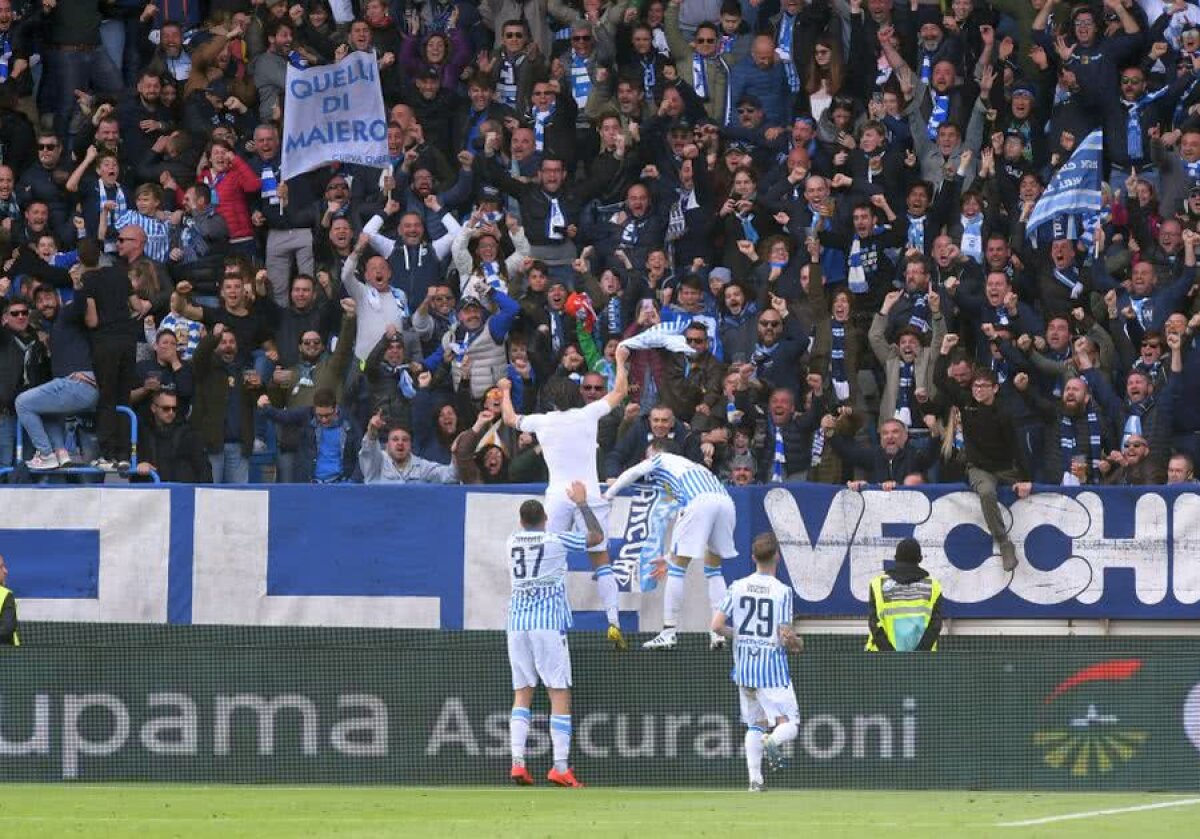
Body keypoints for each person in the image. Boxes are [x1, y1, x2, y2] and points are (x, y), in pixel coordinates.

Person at [499, 344, 631, 651]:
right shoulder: (588, 414)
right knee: (601, 560)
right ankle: (613, 620)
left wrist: (505, 390)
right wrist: (621, 362)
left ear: (550, 400)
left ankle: (551, 624)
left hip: (557, 496)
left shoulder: (542, 421)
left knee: (551, 559)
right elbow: (621, 391)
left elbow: (508, 419)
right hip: (589, 493)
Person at [505, 481, 603, 789]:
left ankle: (518, 762)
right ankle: (560, 766)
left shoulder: (511, 541)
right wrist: (582, 504)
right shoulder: (555, 540)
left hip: (516, 623)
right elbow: (596, 537)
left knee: (522, 692)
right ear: (545, 518)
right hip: (547, 623)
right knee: (558, 692)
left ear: (522, 522)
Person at [605, 439, 737, 651]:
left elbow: (632, 473)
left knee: (677, 570)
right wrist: (669, 556)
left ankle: (668, 632)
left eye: (648, 454)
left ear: (657, 452)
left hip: (700, 501)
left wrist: (609, 495)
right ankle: (717, 631)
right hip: (726, 502)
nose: (646, 458)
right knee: (714, 570)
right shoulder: (692, 469)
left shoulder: (661, 458)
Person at [711, 532, 801, 792]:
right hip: (772, 671)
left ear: (753, 558)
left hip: (744, 669)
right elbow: (785, 634)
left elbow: (716, 625)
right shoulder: (782, 592)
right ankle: (772, 742)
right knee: (790, 725)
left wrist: (736, 635)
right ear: (778, 557)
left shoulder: (736, 586)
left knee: (754, 724)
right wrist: (796, 643)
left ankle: (755, 781)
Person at [865, 538, 944, 652]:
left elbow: (874, 623)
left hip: (881, 662)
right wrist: (919, 655)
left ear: (895, 558)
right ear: (920, 559)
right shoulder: (933, 585)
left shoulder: (877, 584)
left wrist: (890, 655)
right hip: (923, 663)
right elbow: (935, 626)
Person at [359, 409, 458, 484]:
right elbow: (369, 452)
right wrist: (372, 432)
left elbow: (450, 476)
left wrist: (456, 453)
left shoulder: (421, 466)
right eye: (395, 439)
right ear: (387, 445)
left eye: (405, 440)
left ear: (411, 445)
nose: (400, 443)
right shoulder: (377, 462)